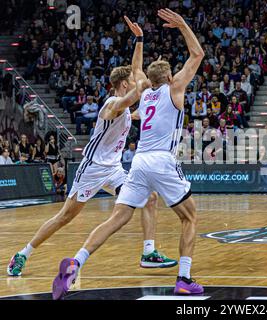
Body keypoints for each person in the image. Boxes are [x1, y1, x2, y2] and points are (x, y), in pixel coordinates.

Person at [52, 11, 205, 299]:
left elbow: (136, 71)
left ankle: (77, 261)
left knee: (117, 219)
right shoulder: (175, 89)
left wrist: (140, 40)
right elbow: (197, 55)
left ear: (150, 79)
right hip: (161, 160)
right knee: (190, 218)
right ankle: (184, 278)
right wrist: (183, 25)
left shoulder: (145, 93)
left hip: (138, 162)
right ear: (170, 76)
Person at [8, 67, 176, 279]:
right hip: (92, 169)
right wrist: (144, 83)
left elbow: (133, 112)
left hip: (114, 170)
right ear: (124, 84)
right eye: (133, 81)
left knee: (150, 197)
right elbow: (128, 101)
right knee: (64, 217)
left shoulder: (124, 110)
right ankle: (24, 253)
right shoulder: (111, 104)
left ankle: (149, 252)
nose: (136, 83)